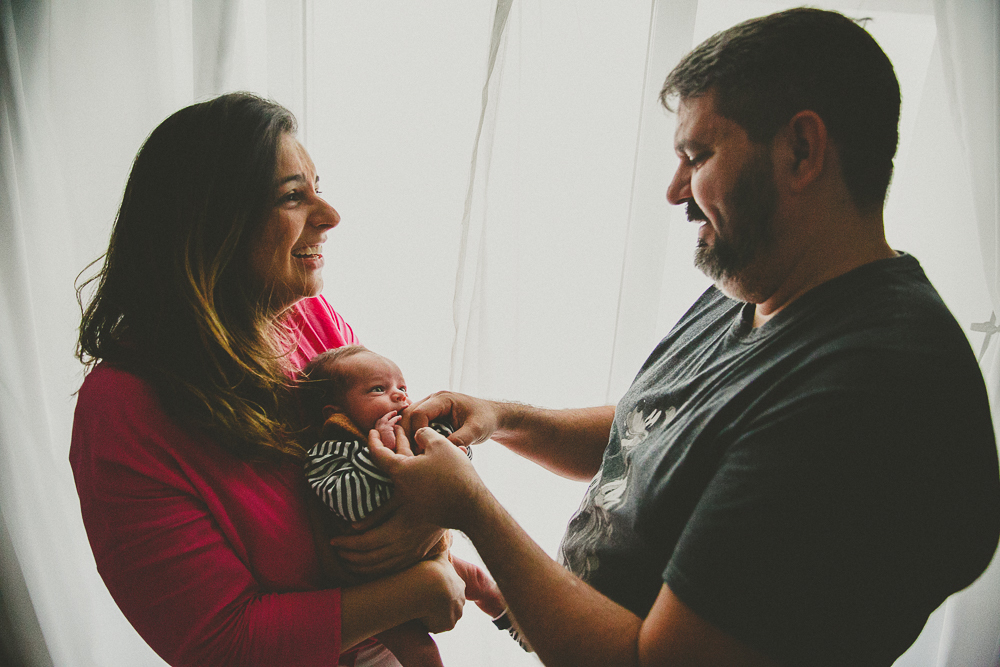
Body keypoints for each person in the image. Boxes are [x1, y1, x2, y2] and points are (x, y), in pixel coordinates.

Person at [352, 8, 1000, 667]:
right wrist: (501, 418)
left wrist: (472, 505)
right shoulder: (761, 279)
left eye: (698, 155)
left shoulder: (871, 395)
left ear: (801, 151)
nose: (674, 191)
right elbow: (657, 433)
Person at [71, 92, 467, 667]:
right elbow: (221, 644)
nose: (330, 216)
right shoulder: (121, 412)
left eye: (317, 187)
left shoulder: (307, 315)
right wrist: (416, 589)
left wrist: (427, 524)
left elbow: (388, 449)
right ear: (213, 223)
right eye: (292, 197)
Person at [299, 344, 502, 667]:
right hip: (375, 581)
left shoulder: (408, 428)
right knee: (421, 652)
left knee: (479, 580)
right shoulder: (331, 451)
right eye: (378, 389)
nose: (398, 396)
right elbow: (348, 503)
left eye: (402, 387)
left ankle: (515, 625)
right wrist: (379, 454)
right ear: (334, 411)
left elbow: (452, 470)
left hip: (428, 551)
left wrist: (452, 448)